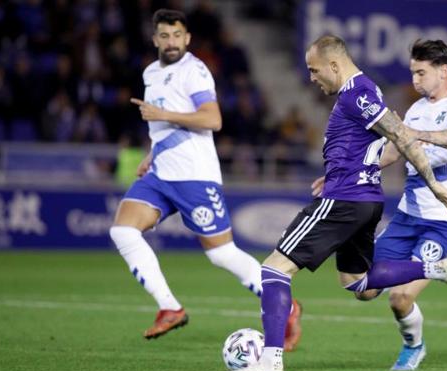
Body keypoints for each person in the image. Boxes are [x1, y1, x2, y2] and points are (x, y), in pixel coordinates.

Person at [225, 35, 447, 371]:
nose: (312, 77)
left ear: (335, 66)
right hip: (362, 198)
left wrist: (432, 182)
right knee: (357, 282)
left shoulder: (358, 93)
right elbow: (373, 146)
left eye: (314, 70)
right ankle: (434, 269)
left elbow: (400, 136)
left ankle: (269, 362)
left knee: (273, 270)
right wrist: (339, 172)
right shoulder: (359, 93)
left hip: (345, 200)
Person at [108, 9, 302, 349]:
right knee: (122, 230)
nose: (171, 42)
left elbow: (212, 119)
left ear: (188, 38)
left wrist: (161, 114)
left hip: (194, 176)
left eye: (177, 35)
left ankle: (285, 304)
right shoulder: (151, 72)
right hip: (161, 174)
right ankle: (169, 307)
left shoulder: (194, 71)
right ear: (155, 39)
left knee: (222, 254)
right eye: (165, 36)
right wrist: (153, 154)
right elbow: (167, 126)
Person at [359, 39, 447, 371]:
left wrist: (416, 133)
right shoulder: (416, 109)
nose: (415, 80)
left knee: (400, 297)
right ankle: (433, 272)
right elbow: (394, 150)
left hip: (445, 222)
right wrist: (352, 172)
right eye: (412, 72)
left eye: (421, 72)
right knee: (364, 287)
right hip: (406, 218)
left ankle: (413, 347)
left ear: (443, 70)